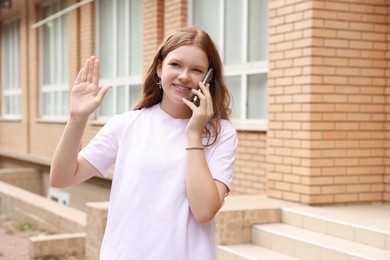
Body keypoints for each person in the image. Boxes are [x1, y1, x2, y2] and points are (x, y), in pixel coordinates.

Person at [50, 26, 238, 260]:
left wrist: (193, 134)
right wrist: (77, 119)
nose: (184, 76)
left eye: (197, 70)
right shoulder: (127, 125)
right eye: (176, 65)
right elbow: (61, 178)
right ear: (160, 68)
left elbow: (204, 211)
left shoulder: (221, 133)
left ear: (208, 78)